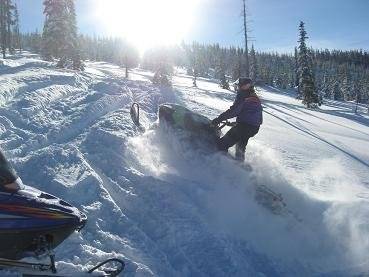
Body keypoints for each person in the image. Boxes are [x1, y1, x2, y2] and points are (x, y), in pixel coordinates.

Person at [211, 77, 263, 161]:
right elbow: (253, 115)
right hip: (254, 128)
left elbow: (234, 111)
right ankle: (240, 166)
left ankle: (219, 165)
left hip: (244, 127)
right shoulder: (253, 95)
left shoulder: (244, 96)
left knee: (222, 144)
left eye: (239, 85)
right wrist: (237, 124)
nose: (238, 87)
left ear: (246, 86)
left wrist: (219, 119)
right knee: (240, 147)